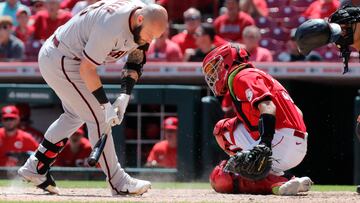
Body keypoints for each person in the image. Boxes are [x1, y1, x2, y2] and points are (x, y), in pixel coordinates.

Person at [18, 0, 168, 196]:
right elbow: (87, 69)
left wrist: (124, 95)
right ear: (139, 19)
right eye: (149, 35)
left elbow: (136, 57)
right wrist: (105, 106)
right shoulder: (112, 25)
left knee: (74, 116)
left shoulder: (144, 19)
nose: (149, 40)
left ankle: (36, 167)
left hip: (66, 58)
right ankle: (118, 181)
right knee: (97, 117)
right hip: (62, 58)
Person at [202, 43, 313, 195]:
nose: (213, 74)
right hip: (298, 142)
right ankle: (283, 177)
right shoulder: (257, 75)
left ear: (227, 61)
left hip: (278, 140)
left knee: (221, 178)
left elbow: (268, 107)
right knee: (226, 128)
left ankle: (276, 182)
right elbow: (298, 113)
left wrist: (265, 144)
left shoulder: (242, 76)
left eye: (214, 67)